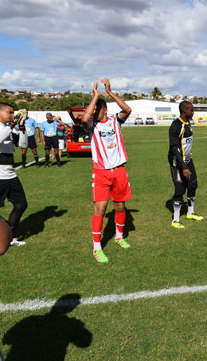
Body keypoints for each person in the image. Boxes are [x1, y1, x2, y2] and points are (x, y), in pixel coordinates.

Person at [81, 79, 132, 263]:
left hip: (119, 171)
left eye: (97, 109)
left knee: (120, 206)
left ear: (104, 110)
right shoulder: (91, 126)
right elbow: (84, 119)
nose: (94, 112)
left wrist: (109, 93)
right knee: (100, 209)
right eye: (93, 109)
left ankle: (119, 237)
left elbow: (128, 110)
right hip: (101, 172)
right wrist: (95, 96)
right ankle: (97, 248)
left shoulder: (114, 121)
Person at [0, 103, 28, 246]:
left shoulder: (9, 128)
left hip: (10, 174)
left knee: (21, 204)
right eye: (10, 112)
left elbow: (23, 144)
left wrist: (22, 127)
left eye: (14, 113)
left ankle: (9, 235)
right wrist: (12, 124)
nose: (13, 115)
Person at [169, 101, 203, 228]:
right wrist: (183, 167)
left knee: (193, 185)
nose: (193, 112)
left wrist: (187, 163)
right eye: (192, 110)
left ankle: (190, 212)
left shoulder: (188, 123)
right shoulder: (175, 126)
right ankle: (176, 219)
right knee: (180, 189)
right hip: (177, 164)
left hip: (188, 161)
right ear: (185, 111)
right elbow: (174, 148)